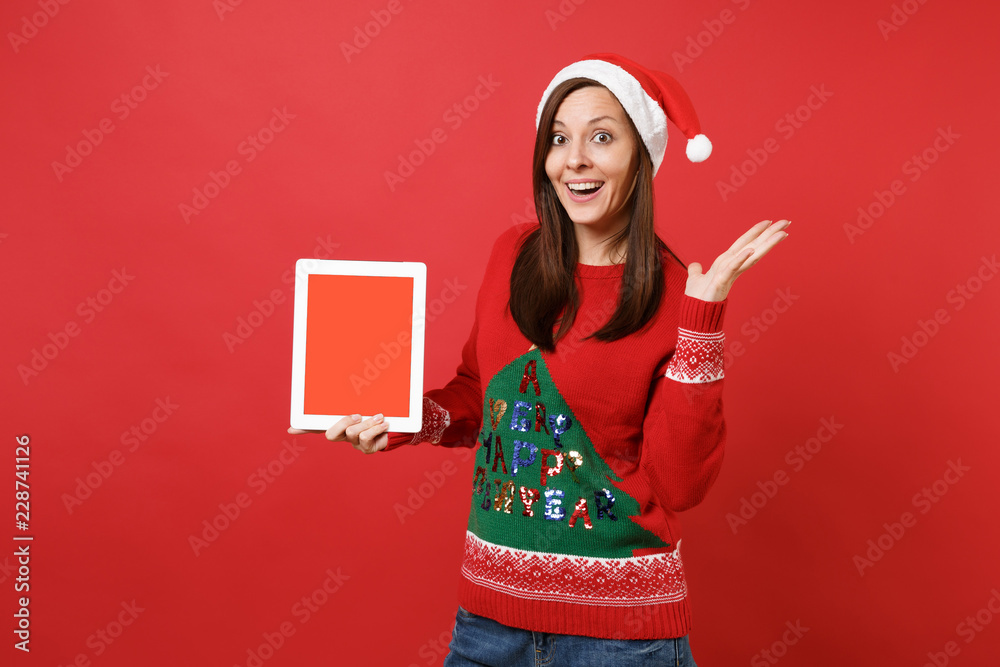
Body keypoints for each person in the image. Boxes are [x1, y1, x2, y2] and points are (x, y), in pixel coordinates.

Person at [290, 52, 789, 666]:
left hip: (623, 639)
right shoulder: (512, 255)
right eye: (558, 138)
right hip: (488, 623)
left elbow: (680, 484)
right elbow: (480, 396)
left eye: (601, 137)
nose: (573, 158)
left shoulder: (675, 293)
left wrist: (703, 323)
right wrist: (400, 419)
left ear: (643, 158)